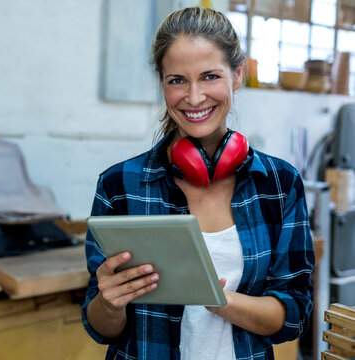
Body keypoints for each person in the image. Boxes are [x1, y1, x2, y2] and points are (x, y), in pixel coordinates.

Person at [81, 7, 315, 360]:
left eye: (209, 76)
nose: (193, 97)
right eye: (177, 80)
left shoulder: (280, 184)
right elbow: (100, 327)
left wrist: (221, 302)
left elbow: (295, 316)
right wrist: (109, 303)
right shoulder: (119, 185)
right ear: (162, 83)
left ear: (237, 75)